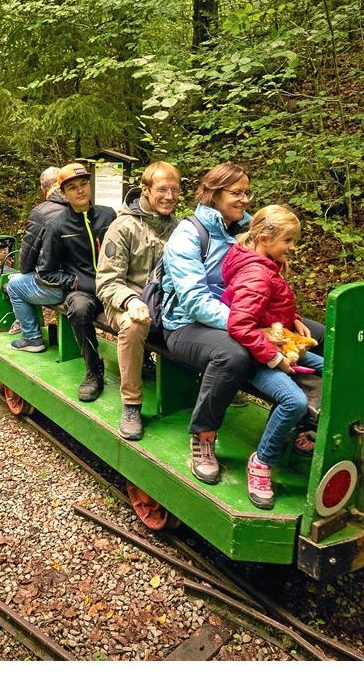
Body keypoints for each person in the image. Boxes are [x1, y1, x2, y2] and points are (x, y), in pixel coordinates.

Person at [222, 205, 323, 509]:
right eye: (288, 241)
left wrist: (293, 318)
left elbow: (269, 305)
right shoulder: (256, 273)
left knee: (333, 371)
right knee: (294, 401)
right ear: (265, 237)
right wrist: (274, 359)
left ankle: (300, 430)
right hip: (255, 357)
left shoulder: (265, 262)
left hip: (276, 346)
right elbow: (240, 324)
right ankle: (262, 461)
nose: (293, 248)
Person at [159, 163, 255, 485]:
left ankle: (304, 425)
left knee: (319, 335)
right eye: (236, 193)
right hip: (184, 324)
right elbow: (195, 301)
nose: (244, 199)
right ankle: (203, 435)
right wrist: (247, 326)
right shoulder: (189, 233)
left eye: (246, 192)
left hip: (237, 316)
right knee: (233, 355)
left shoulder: (248, 230)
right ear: (215, 194)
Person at [6, 163, 117, 402]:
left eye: (84, 184)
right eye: (72, 187)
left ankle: (146, 363)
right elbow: (46, 272)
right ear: (63, 193)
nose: (80, 191)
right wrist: (76, 282)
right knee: (77, 308)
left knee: (144, 302)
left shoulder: (109, 215)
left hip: (114, 284)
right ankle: (93, 370)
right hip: (82, 290)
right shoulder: (57, 225)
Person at [95, 161, 181, 440]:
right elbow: (107, 281)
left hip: (163, 302)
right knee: (134, 326)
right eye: (162, 189)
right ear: (145, 190)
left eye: (175, 190)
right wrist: (131, 300)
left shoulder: (179, 228)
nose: (169, 196)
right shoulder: (123, 227)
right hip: (124, 301)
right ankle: (131, 403)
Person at [18, 166, 62, 275]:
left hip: (56, 278)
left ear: (43, 189)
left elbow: (26, 261)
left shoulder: (40, 213)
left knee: (14, 284)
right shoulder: (80, 207)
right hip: (83, 277)